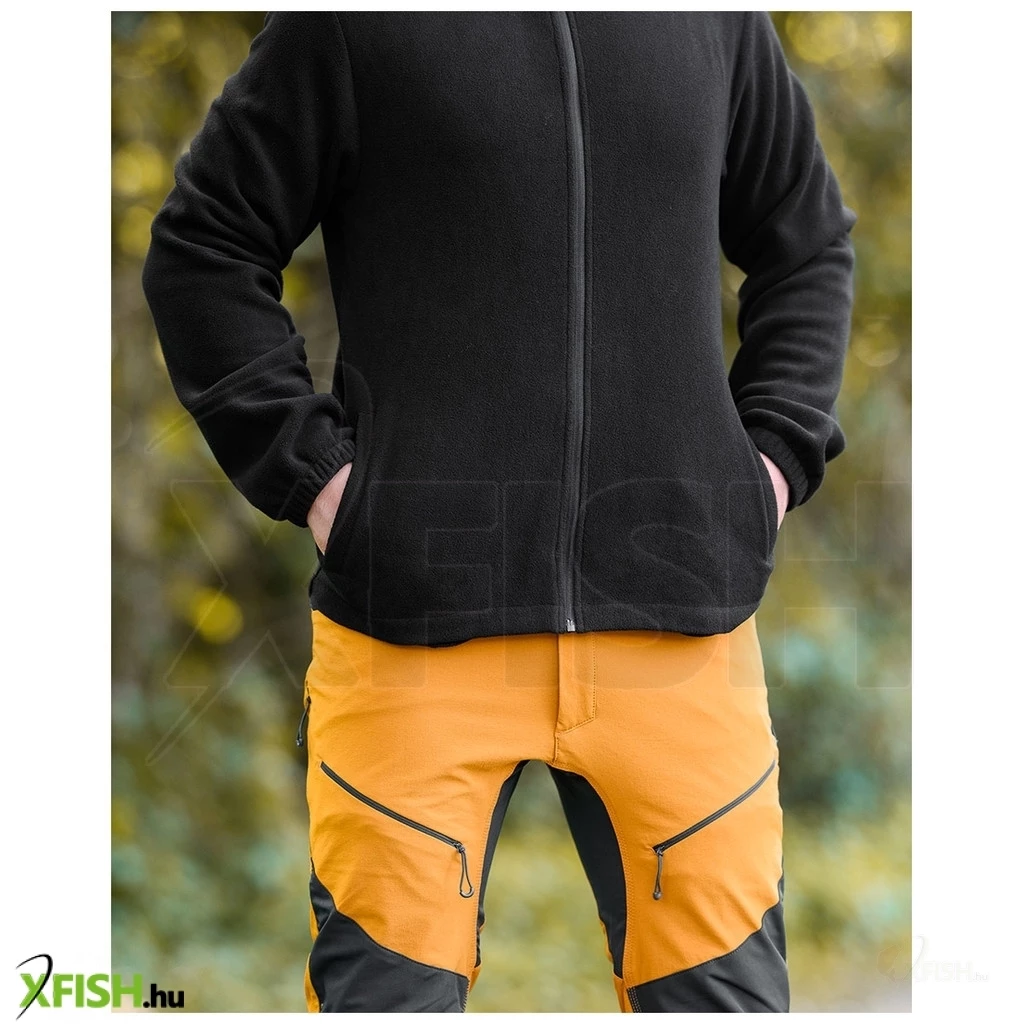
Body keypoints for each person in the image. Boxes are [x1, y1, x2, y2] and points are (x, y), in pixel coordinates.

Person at [142, 10, 855, 1013]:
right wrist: (320, 481)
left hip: (680, 632)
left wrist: (769, 464)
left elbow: (807, 243)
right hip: (410, 633)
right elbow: (203, 245)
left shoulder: (716, 19)